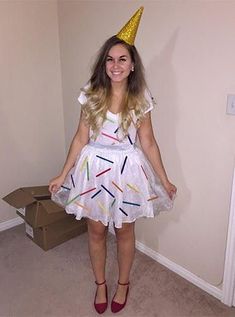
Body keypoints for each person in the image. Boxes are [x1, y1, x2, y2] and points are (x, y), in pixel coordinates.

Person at [49, 7, 176, 314]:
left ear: (132, 65)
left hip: (127, 173)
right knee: (94, 230)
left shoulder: (141, 98)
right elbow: (80, 137)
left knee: (124, 230)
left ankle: (122, 283)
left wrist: (165, 178)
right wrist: (63, 173)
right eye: (110, 58)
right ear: (103, 63)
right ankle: (100, 284)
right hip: (93, 170)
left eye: (122, 59)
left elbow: (148, 141)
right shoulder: (90, 94)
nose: (115, 65)